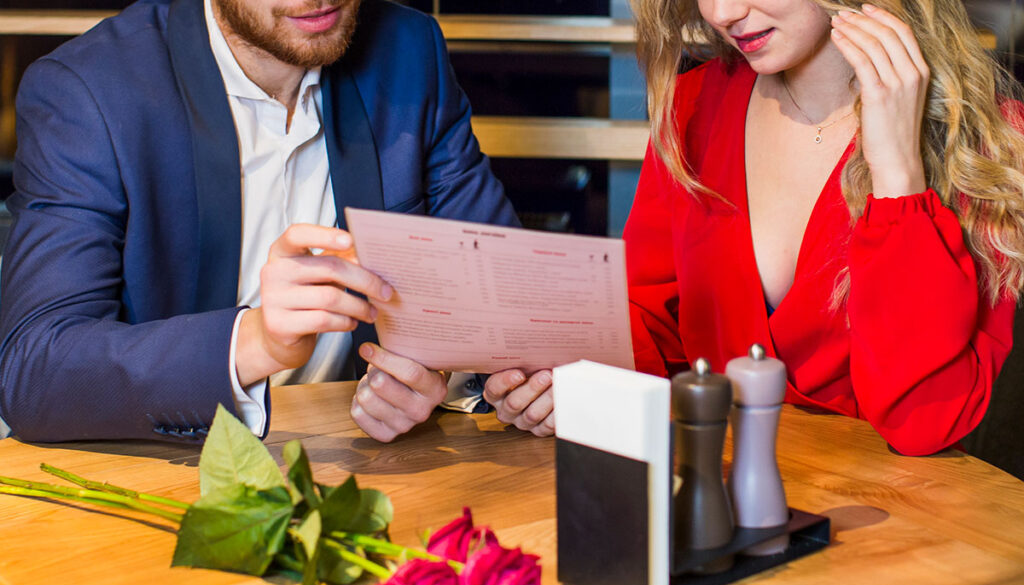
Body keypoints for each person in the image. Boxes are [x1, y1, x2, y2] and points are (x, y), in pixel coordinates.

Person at [0, 0, 527, 443]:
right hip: (164, 483)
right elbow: (34, 369)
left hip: (364, 469)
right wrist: (257, 341)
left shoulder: (408, 50)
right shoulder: (91, 89)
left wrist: (498, 376)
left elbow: (506, 299)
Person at [625, 0, 1024, 454]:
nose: (721, 13)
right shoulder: (692, 106)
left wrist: (899, 180)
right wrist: (561, 379)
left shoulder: (982, 145)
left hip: (889, 514)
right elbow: (645, 328)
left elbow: (924, 421)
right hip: (713, 492)